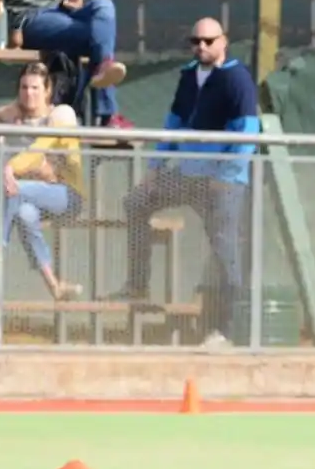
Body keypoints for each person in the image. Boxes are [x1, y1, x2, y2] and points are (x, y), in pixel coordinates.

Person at [110, 18, 258, 346]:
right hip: (187, 175)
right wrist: (155, 167)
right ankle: (138, 283)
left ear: (224, 41)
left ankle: (226, 330)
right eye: (195, 41)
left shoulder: (238, 79)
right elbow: (172, 124)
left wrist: (227, 176)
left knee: (225, 251)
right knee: (136, 201)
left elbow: (247, 133)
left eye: (208, 41)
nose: (201, 47)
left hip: (222, 183)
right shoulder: (189, 76)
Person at [0, 62, 84, 299]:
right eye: (24, 88)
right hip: (29, 198)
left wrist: (11, 167)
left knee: (17, 190)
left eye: (36, 88)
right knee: (25, 214)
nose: (29, 93)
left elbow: (40, 150)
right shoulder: (12, 119)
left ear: (48, 91)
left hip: (68, 197)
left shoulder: (60, 114)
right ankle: (55, 286)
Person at [0, 0, 131, 129]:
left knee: (105, 5)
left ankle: (103, 69)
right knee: (99, 35)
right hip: (35, 18)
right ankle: (107, 116)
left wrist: (74, 0)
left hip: (66, 13)